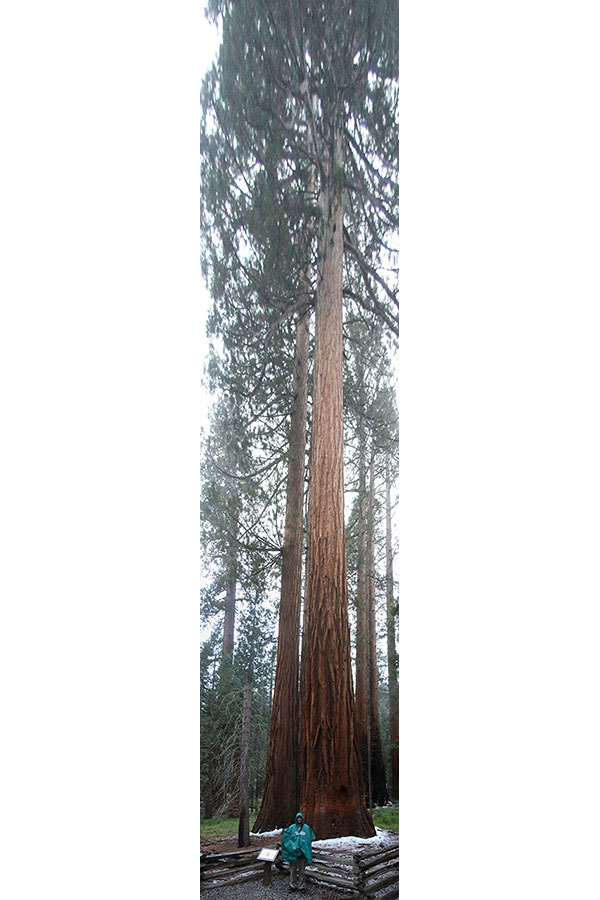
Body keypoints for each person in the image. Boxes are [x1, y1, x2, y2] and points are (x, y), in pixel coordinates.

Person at [281, 811, 315, 892]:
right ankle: (292, 885)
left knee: (302, 871)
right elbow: (286, 836)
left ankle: (301, 886)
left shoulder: (307, 828)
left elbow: (311, 837)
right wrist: (283, 829)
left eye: (300, 818)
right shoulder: (292, 828)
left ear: (302, 819)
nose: (299, 819)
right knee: (293, 870)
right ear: (296, 819)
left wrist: (305, 844)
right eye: (298, 818)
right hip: (293, 853)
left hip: (302, 854)